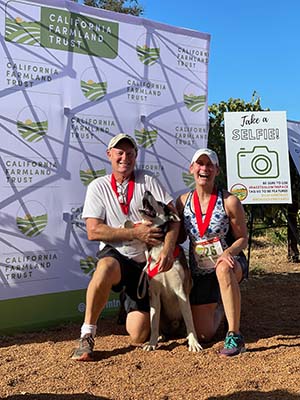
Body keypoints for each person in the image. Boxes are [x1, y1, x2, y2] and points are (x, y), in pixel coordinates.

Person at [71, 133, 180, 361]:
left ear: (136, 156)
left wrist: (168, 249)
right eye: (119, 153)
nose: (125, 158)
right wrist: (134, 233)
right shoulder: (98, 187)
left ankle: (128, 304)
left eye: (130, 153)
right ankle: (87, 335)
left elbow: (174, 217)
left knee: (139, 335)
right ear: (109, 155)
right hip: (118, 256)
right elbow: (93, 231)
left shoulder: (147, 180)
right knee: (105, 268)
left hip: (147, 262)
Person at [176, 148, 248, 357]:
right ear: (192, 169)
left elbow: (243, 238)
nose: (204, 169)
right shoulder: (182, 202)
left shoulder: (229, 201)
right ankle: (223, 305)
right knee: (204, 334)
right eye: (200, 164)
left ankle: (235, 335)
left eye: (209, 165)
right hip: (201, 272)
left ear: (217, 170)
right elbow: (179, 237)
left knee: (223, 269)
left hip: (230, 263)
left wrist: (228, 252)